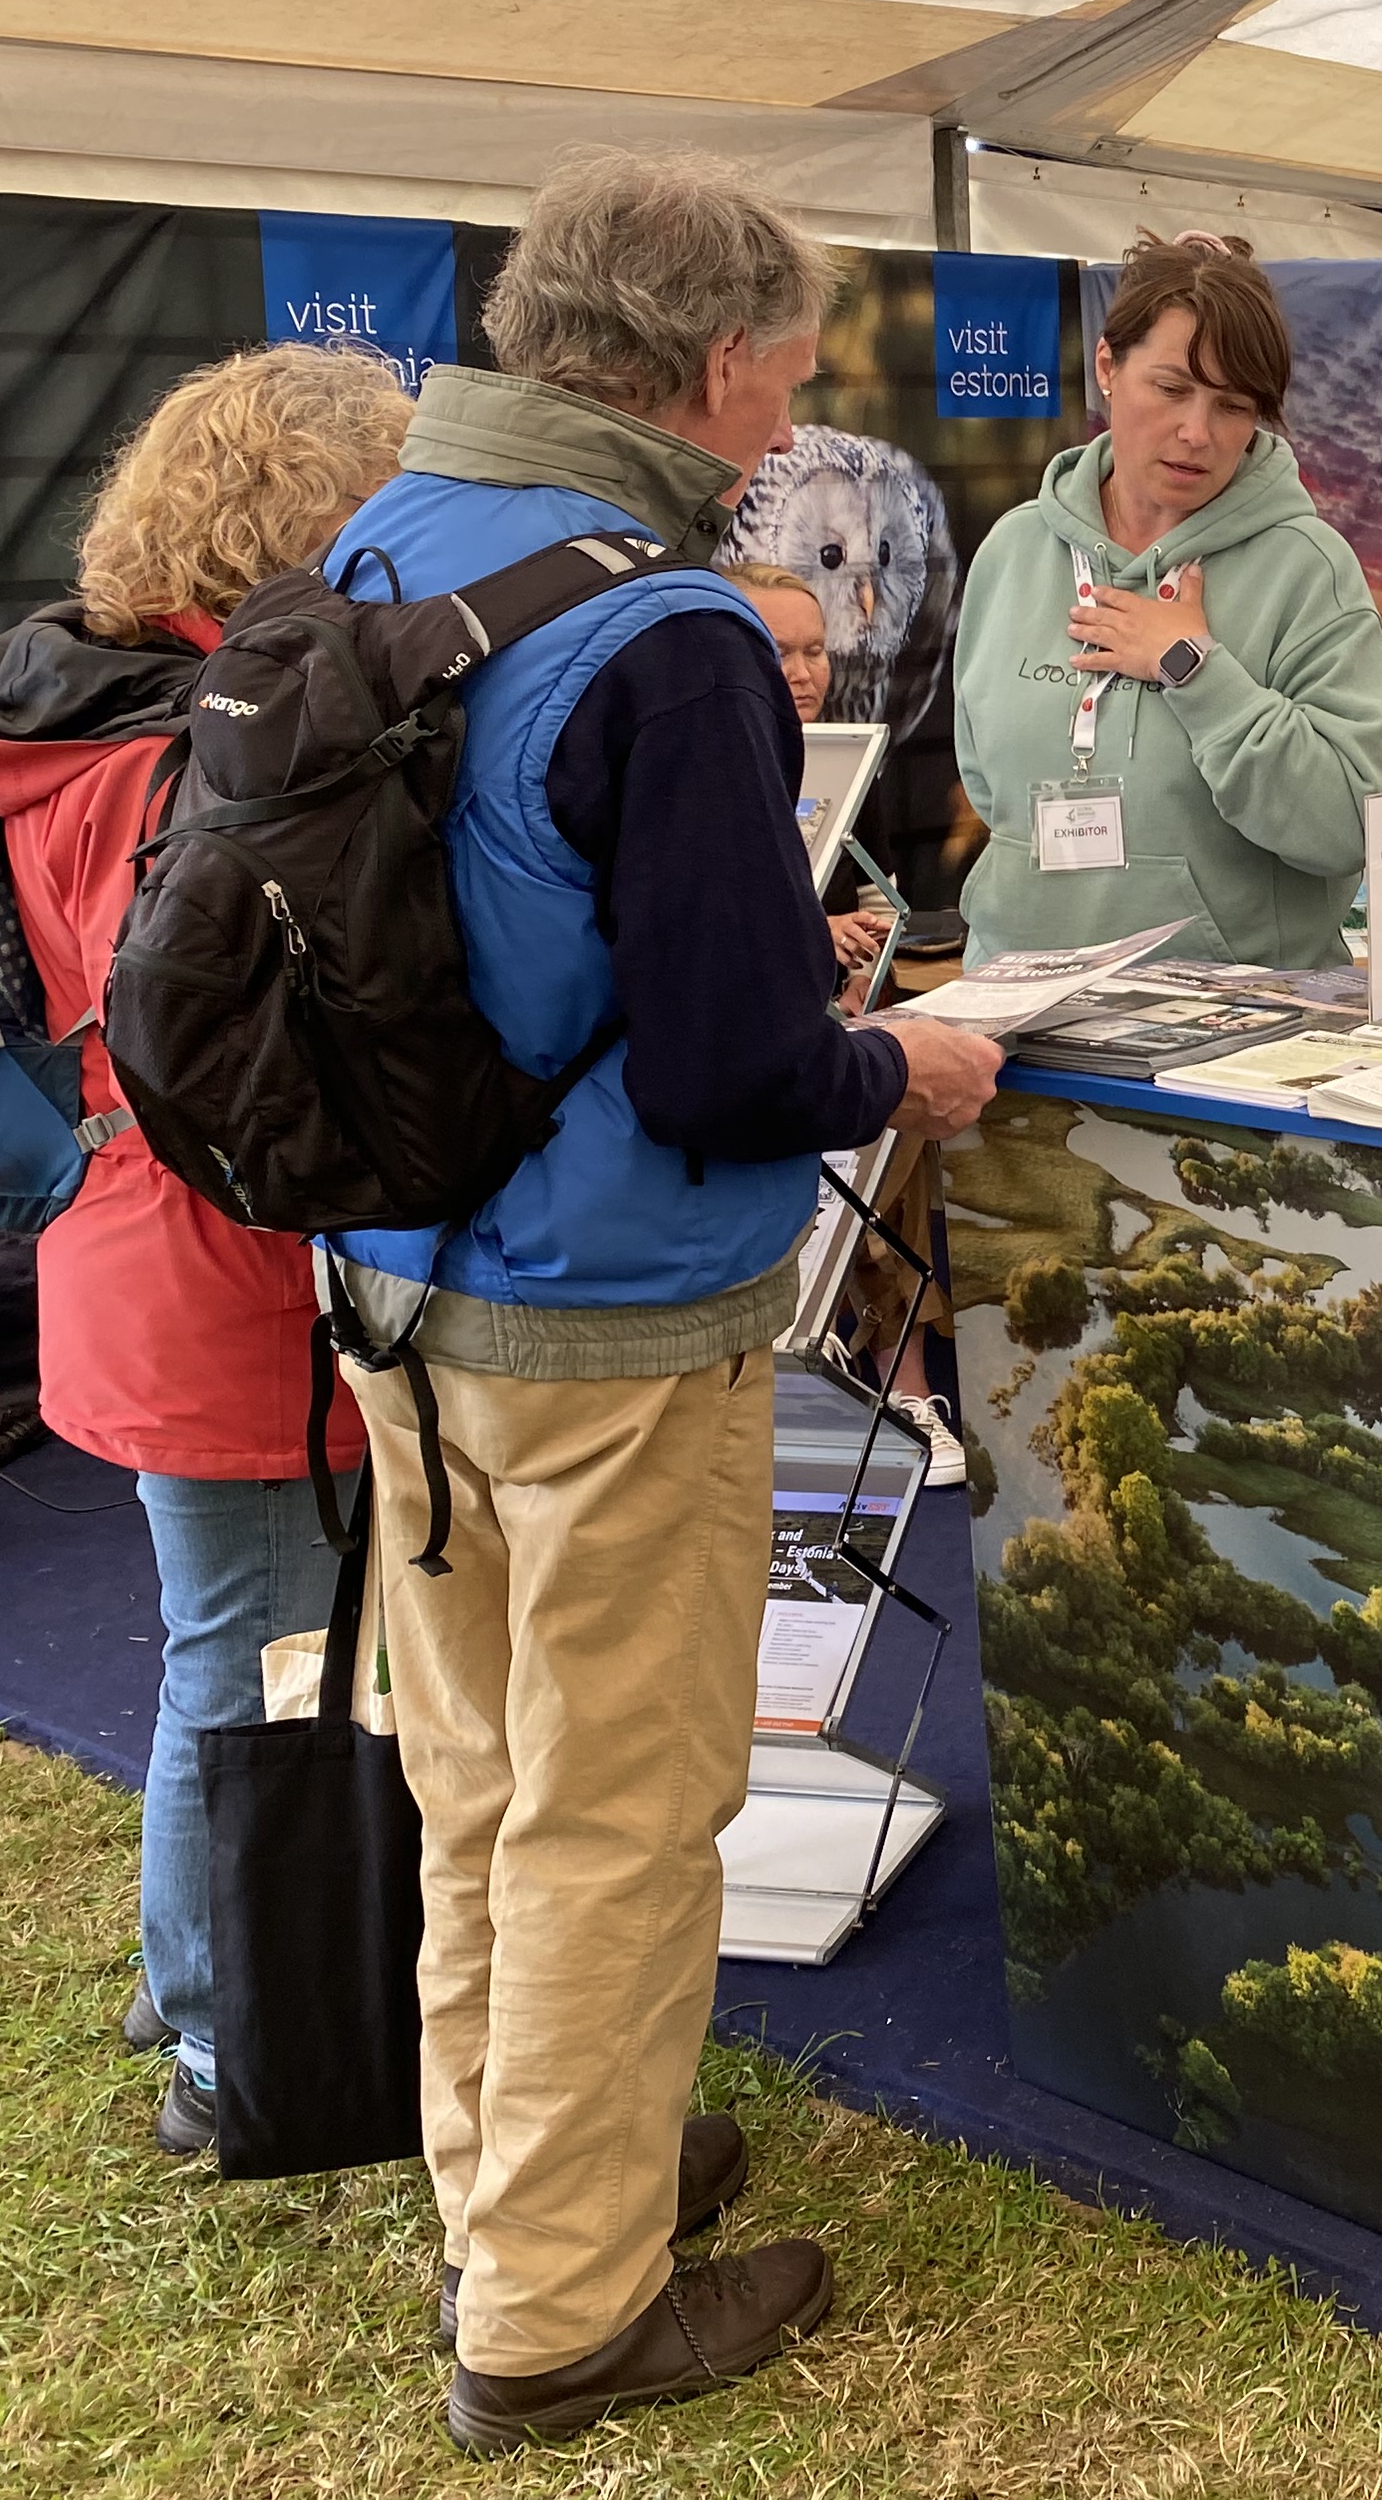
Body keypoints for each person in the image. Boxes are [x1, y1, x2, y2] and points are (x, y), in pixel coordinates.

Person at [313, 149, 1004, 2455]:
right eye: (791, 364)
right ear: (716, 367)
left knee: (492, 1780)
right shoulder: (670, 629)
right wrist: (894, 1057)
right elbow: (728, 1073)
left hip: (401, 1293)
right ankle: (562, 2311)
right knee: (614, 1806)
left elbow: (528, 939)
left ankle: (521, 2189)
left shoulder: (385, 541)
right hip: (607, 1324)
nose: (798, 400)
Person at [0, 344, 413, 2158]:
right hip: (229, 1259)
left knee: (227, 1637)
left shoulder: (60, 723)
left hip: (122, 1232)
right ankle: (225, 2038)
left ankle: (186, 1961)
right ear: (313, 527)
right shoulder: (211, 747)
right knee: (256, 1656)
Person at [951, 236, 1382, 967]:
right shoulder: (1013, 549)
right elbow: (988, 786)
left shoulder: (1308, 570)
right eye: (1171, 388)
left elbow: (1345, 826)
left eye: (1233, 405)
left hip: (1228, 1046)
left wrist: (1196, 670)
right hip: (1017, 1026)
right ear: (1106, 369)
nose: (1197, 432)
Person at [729, 559, 890, 986]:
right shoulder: (698, 775)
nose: (801, 675)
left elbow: (881, 900)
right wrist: (818, 935)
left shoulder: (848, 757)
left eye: (815, 652)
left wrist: (865, 981)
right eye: (778, 653)